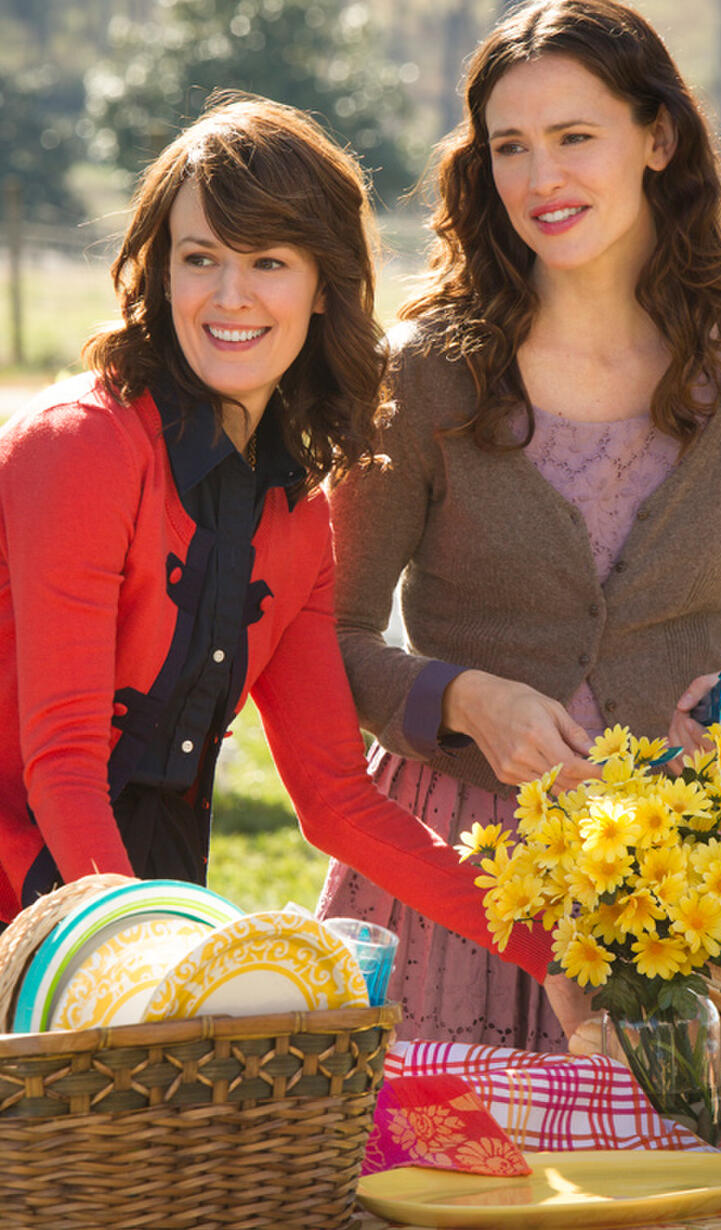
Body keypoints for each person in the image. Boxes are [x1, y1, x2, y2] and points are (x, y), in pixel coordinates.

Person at [318, 0, 721, 1049]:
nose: (540, 177)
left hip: (672, 884)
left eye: (574, 136)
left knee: (683, 1153)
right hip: (451, 873)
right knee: (441, 1154)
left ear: (658, 137)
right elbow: (329, 636)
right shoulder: (420, 376)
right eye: (510, 145)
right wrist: (462, 697)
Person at [0, 92, 561, 1011]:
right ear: (162, 273)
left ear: (322, 283)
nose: (230, 295)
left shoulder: (297, 515)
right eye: (200, 259)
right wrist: (147, 977)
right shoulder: (80, 445)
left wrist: (555, 954)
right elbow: (61, 765)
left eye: (267, 260)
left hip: (141, 930)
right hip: (51, 931)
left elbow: (337, 798)